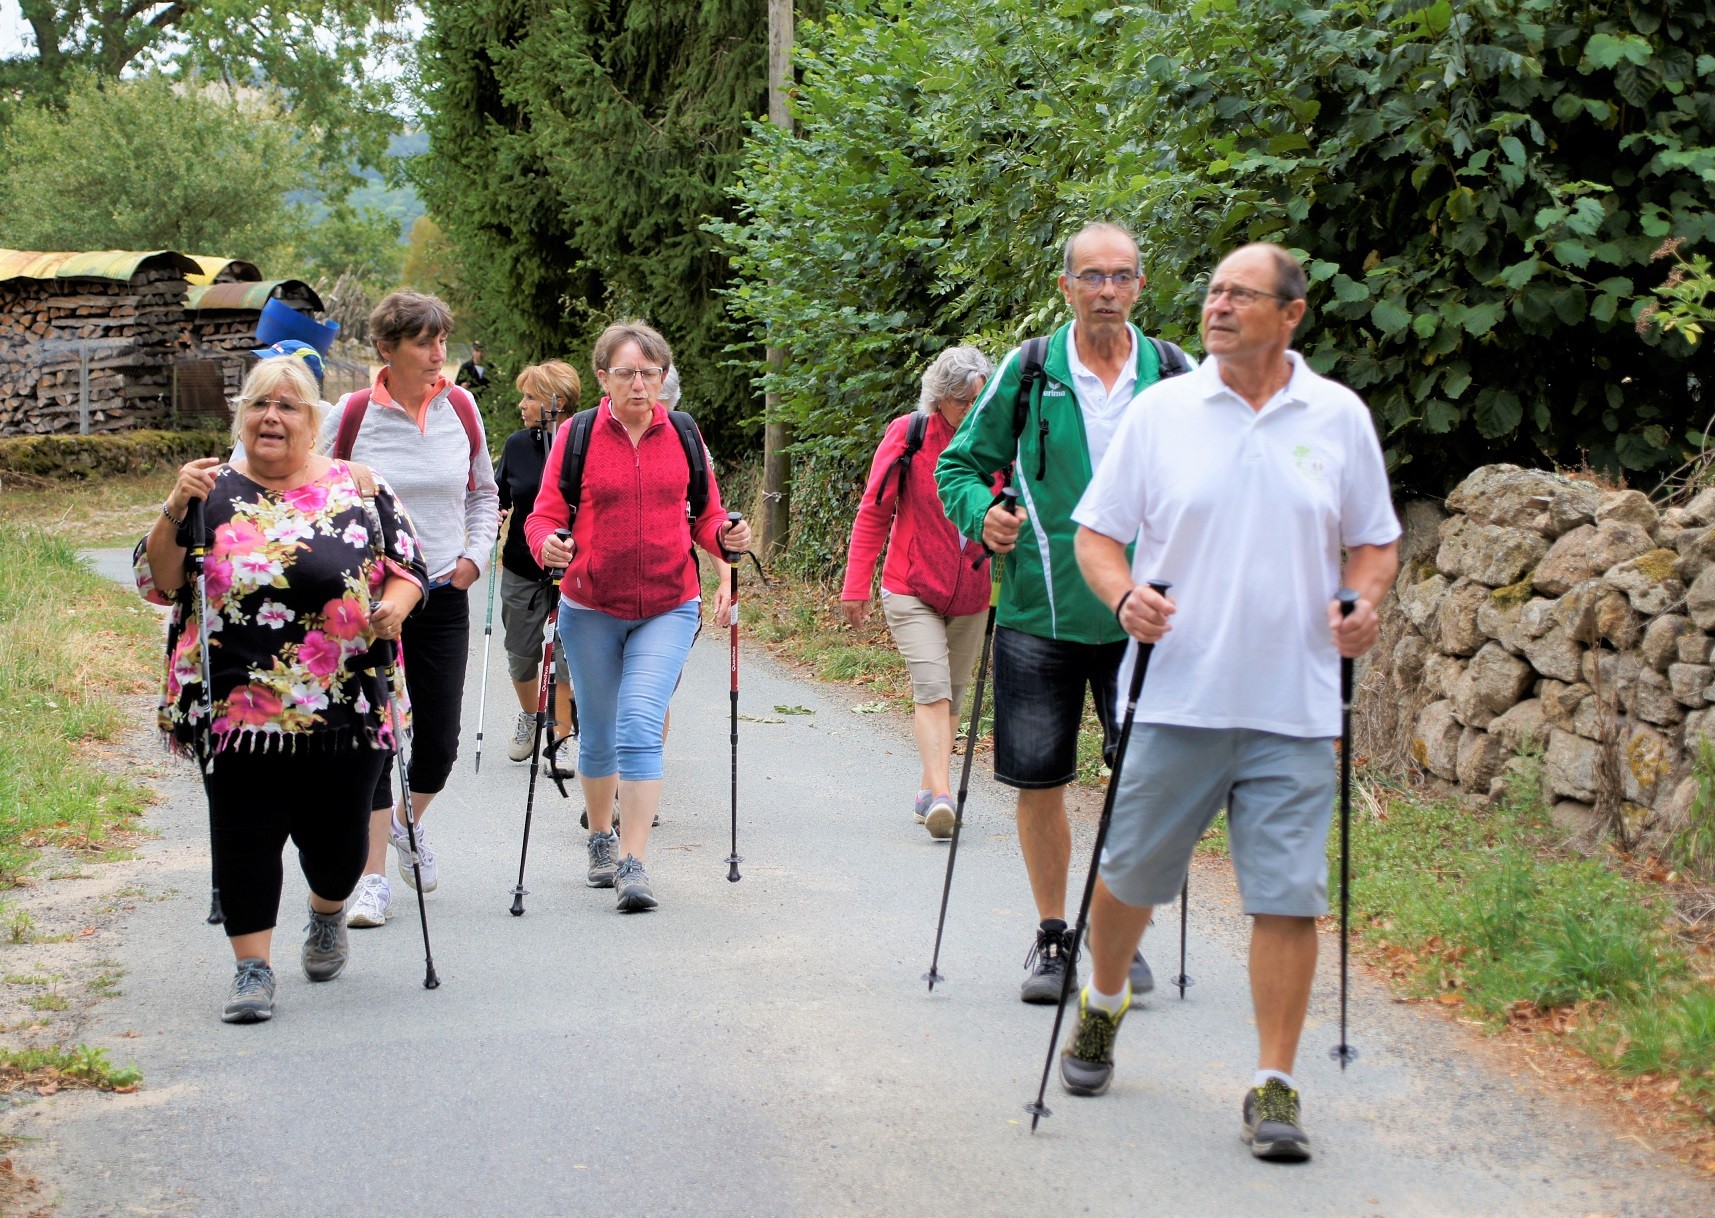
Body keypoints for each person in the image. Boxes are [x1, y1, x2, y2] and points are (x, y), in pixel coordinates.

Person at [1062, 243, 1400, 1161]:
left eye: (1240, 295)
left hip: (1294, 704)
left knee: (1287, 896)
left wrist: (1363, 601)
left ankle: (1273, 1084)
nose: (1218, 307)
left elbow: (1373, 542)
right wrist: (1122, 594)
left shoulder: (1336, 417)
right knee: (1127, 876)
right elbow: (1097, 534)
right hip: (1178, 694)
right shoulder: (1162, 412)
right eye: (1213, 291)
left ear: (1289, 315)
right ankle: (1101, 999)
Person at [937, 221, 1188, 1004]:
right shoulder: (1031, 369)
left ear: (1140, 286)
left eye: (1121, 277)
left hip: (1141, 616)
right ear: (1067, 287)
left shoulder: (1175, 376)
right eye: (1092, 277)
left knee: (1141, 780)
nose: (1107, 291)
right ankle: (1053, 934)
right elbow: (960, 465)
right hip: (1038, 616)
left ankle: (1120, 924)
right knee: (1039, 781)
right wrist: (983, 514)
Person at [136, 356, 427, 1022]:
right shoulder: (206, 489)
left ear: (313, 420)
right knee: (244, 835)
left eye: (288, 406)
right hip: (234, 703)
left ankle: (326, 912)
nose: (272, 416)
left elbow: (409, 567)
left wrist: (396, 605)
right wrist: (173, 506)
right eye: (260, 404)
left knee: (338, 847)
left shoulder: (360, 487)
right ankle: (251, 969)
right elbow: (160, 581)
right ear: (242, 417)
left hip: (347, 702)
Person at [526, 321, 750, 912]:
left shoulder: (682, 432)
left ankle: (634, 863)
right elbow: (543, 516)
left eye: (650, 373)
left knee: (641, 722)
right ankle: (599, 836)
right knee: (597, 733)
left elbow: (706, 515)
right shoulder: (577, 436)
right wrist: (548, 543)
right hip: (591, 605)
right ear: (603, 377)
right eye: (626, 373)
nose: (639, 385)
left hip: (669, 605)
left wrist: (727, 537)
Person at [329, 291, 501, 929]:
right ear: (386, 349)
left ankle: (405, 824)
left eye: (442, 342)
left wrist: (472, 558)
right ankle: (370, 879)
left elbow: (484, 493)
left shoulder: (461, 406)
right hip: (370, 603)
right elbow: (306, 486)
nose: (438, 356)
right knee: (377, 739)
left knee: (439, 745)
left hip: (443, 592)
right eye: (424, 344)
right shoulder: (349, 417)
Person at [841, 346, 994, 840]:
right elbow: (874, 510)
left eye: (979, 399)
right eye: (963, 401)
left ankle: (931, 786)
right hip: (911, 586)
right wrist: (855, 585)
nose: (972, 409)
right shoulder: (911, 436)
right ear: (940, 400)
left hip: (974, 588)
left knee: (955, 693)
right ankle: (943, 796)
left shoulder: (997, 442)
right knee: (933, 688)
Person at [493, 360, 580, 773]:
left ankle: (562, 736)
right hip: (522, 566)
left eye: (530, 397)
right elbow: (499, 495)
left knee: (567, 656)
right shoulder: (517, 445)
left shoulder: (585, 442)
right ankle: (532, 715)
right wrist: (492, 516)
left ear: (555, 402)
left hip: (574, 568)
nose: (522, 404)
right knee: (521, 654)